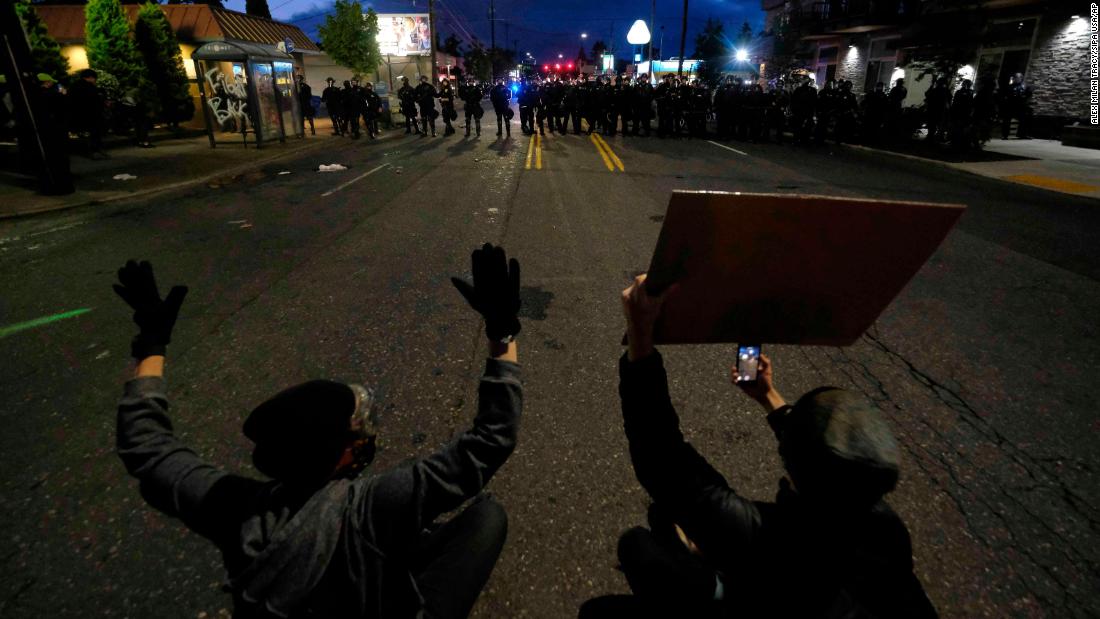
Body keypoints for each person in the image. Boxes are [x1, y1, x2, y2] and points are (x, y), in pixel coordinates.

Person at [112, 244, 524, 618]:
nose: (364, 436)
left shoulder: (234, 509)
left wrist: (151, 344)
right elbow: (491, 439)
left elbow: (148, 449)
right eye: (355, 431)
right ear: (337, 455)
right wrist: (501, 332)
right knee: (487, 516)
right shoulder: (371, 507)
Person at [579, 274, 939, 619]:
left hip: (758, 595)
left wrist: (641, 332)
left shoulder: (767, 541)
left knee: (621, 574)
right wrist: (768, 396)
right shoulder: (884, 530)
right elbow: (824, 461)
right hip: (791, 597)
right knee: (669, 523)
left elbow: (661, 457)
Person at [67, 68, 106, 157]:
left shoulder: (74, 86)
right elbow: (95, 101)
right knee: (95, 133)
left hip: (78, 115)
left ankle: (91, 151)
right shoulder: (89, 87)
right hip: (91, 115)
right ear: (91, 77)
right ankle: (95, 151)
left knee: (86, 135)